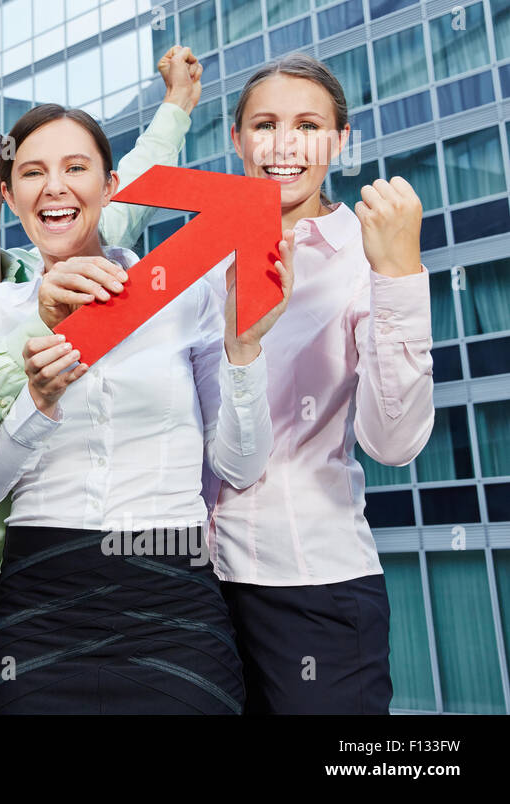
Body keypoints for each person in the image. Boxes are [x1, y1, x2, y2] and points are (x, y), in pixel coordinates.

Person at [0, 47, 203, 714]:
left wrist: (176, 108)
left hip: (37, 584)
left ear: (2, 187)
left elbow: (114, 190)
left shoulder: (34, 268)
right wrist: (39, 326)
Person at [0, 103, 294, 714]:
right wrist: (39, 399)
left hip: (172, 595)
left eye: (76, 167)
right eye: (32, 173)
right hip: (40, 601)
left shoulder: (186, 297)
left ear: (111, 187)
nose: (54, 187)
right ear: (8, 195)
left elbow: (240, 467)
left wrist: (244, 351)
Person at [208, 54, 434, 714]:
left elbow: (393, 443)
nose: (283, 144)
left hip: (313, 585)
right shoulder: (201, 260)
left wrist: (398, 277)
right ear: (237, 140)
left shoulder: (368, 255)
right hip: (196, 588)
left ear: (339, 139)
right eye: (265, 124)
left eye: (308, 125)